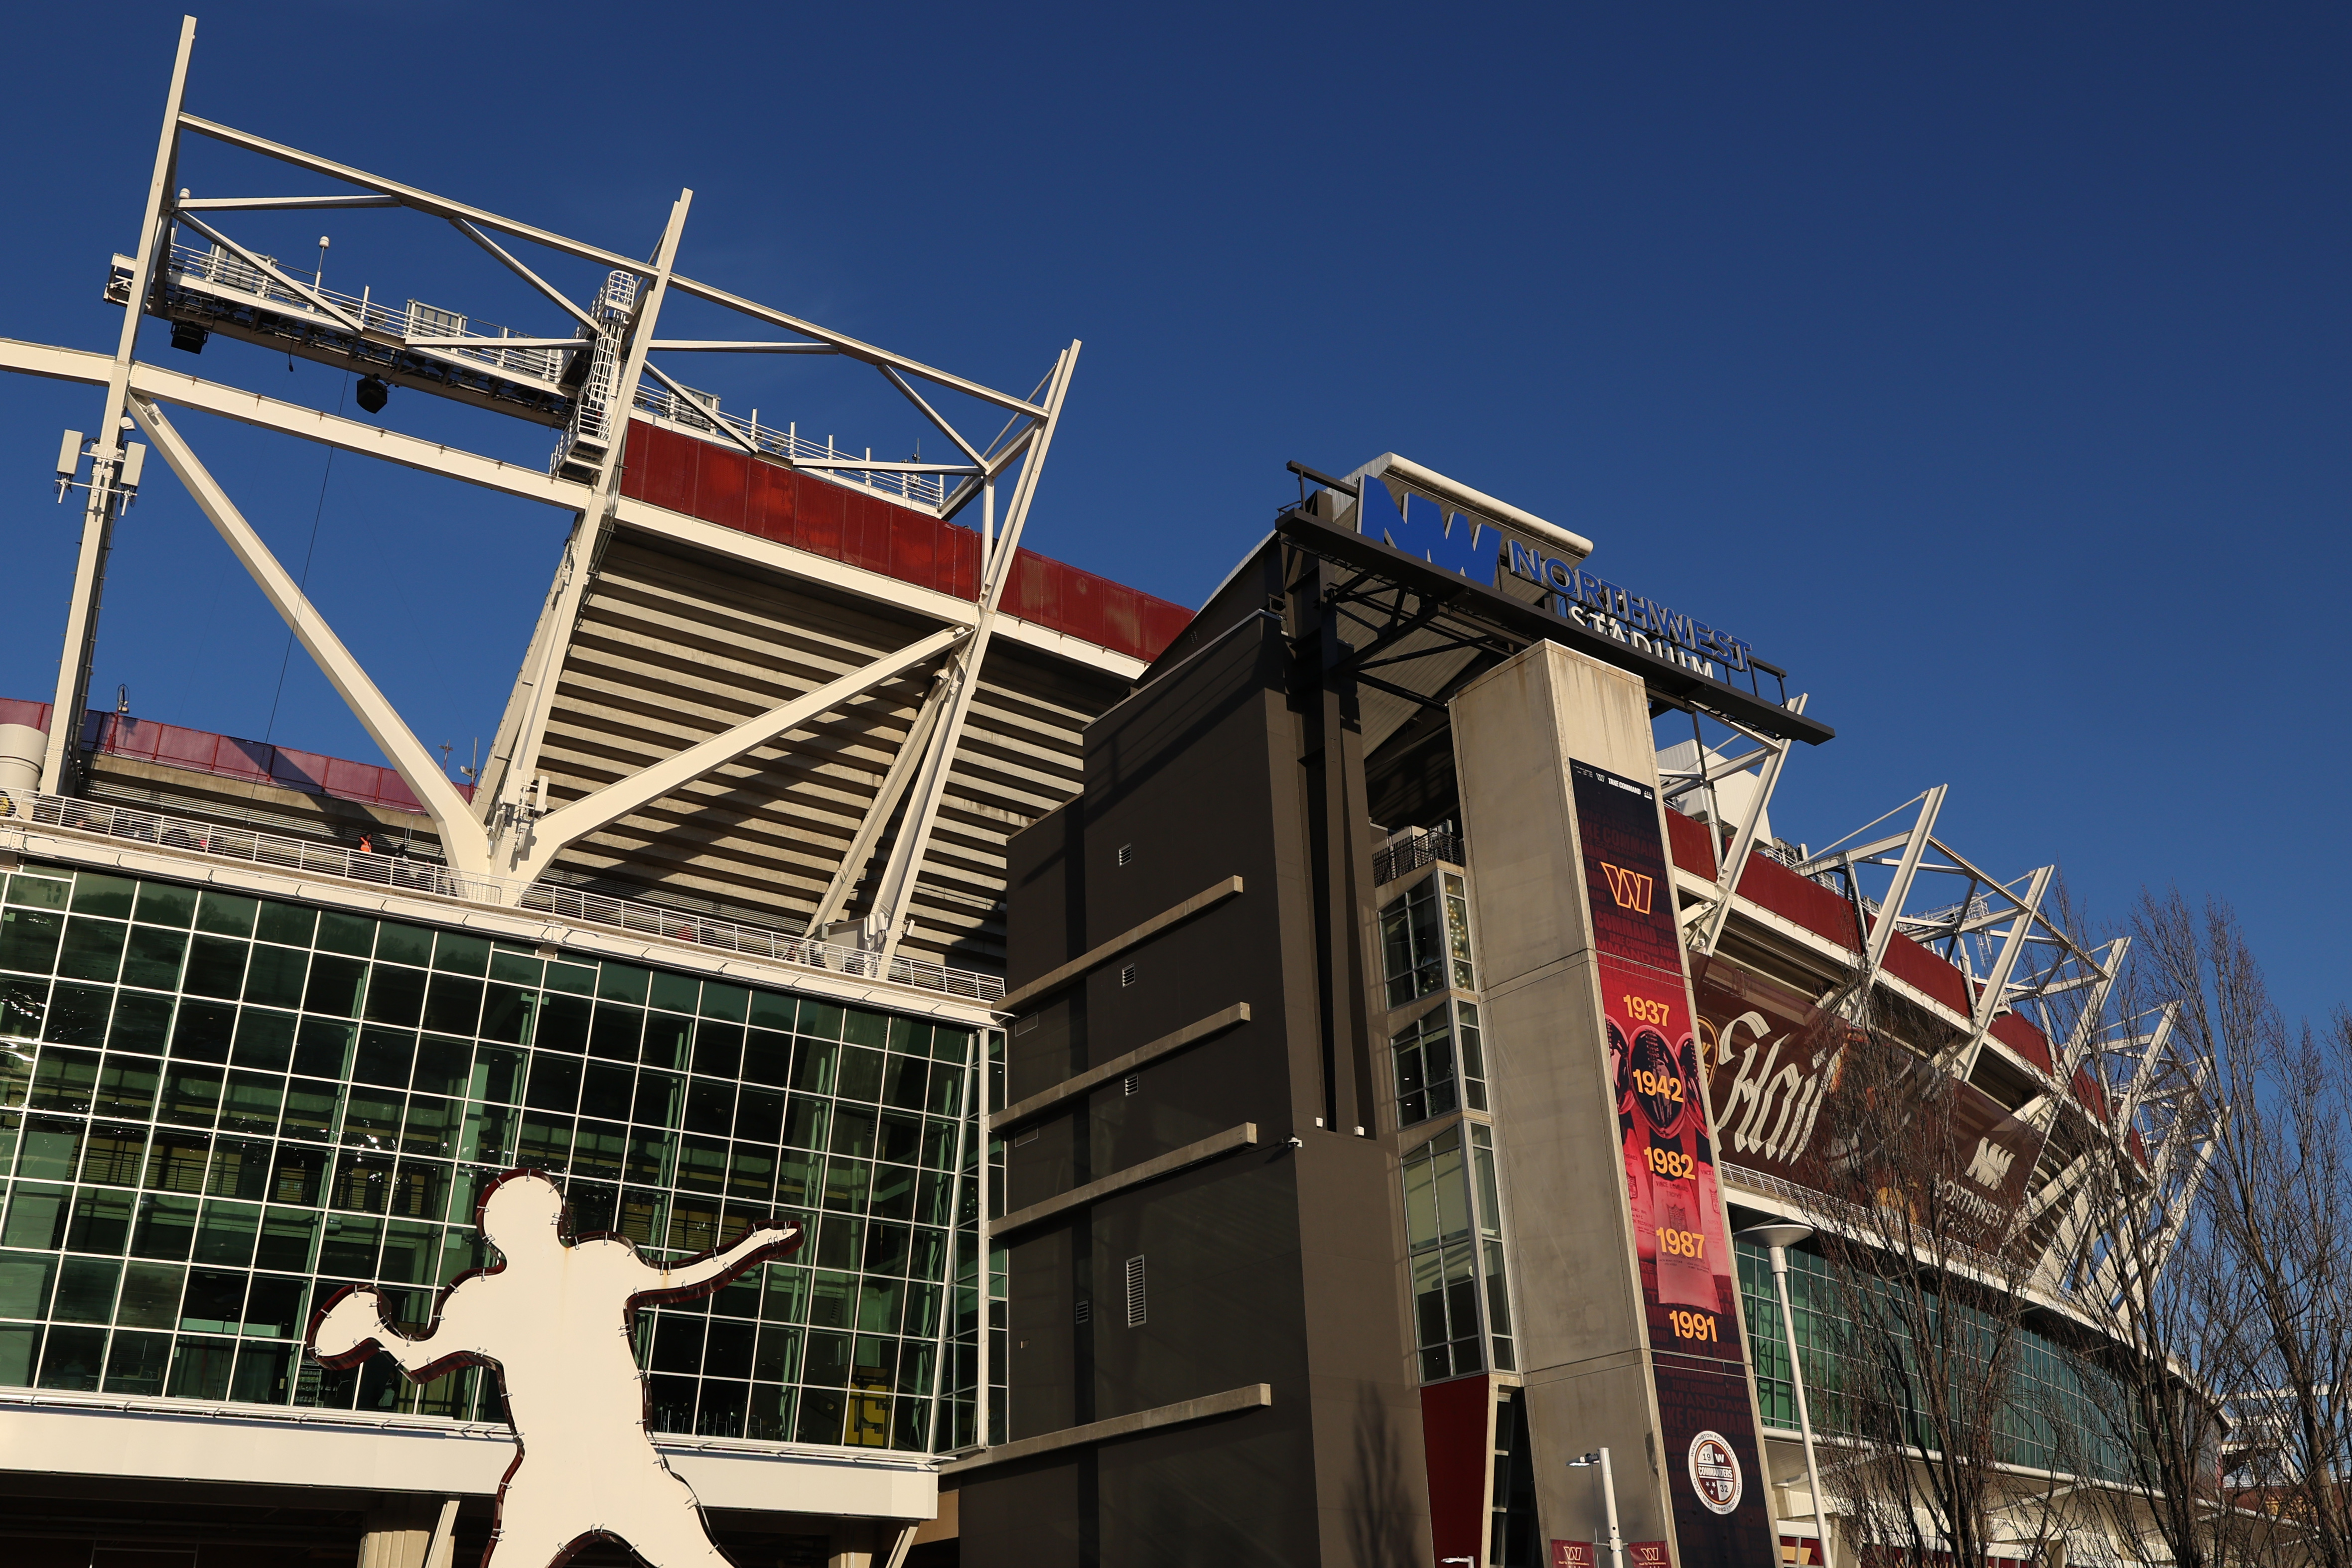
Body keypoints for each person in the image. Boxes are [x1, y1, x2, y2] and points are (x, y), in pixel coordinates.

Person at [310, 1171, 801, 1568]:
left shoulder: (482, 1296)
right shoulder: (597, 1261)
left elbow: (420, 1359)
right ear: (557, 1213)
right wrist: (750, 1246)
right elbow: (687, 1276)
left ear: (491, 1231)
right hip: (608, 1468)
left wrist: (378, 1330)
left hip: (569, 1474)